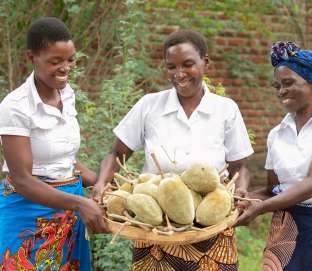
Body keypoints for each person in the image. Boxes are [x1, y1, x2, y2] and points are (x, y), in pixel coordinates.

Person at [93, 29, 254, 270]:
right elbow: (117, 154)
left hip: (211, 230)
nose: (179, 74)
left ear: (205, 63)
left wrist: (240, 191)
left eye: (188, 64)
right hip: (156, 233)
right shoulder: (150, 105)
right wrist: (100, 187)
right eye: (171, 67)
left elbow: (240, 166)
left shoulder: (225, 109)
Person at [235, 41, 312, 271]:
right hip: (285, 230)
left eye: (288, 83)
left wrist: (260, 209)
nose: (281, 91)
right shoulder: (277, 134)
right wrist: (244, 199)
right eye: (277, 86)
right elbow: (272, 190)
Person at [0, 17, 108, 271]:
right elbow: (22, 179)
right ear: (31, 57)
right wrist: (81, 204)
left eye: (70, 59)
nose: (66, 68)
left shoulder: (66, 94)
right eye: (55, 61)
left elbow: (63, 157)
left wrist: (99, 181)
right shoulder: (16, 107)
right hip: (27, 215)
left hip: (70, 215)